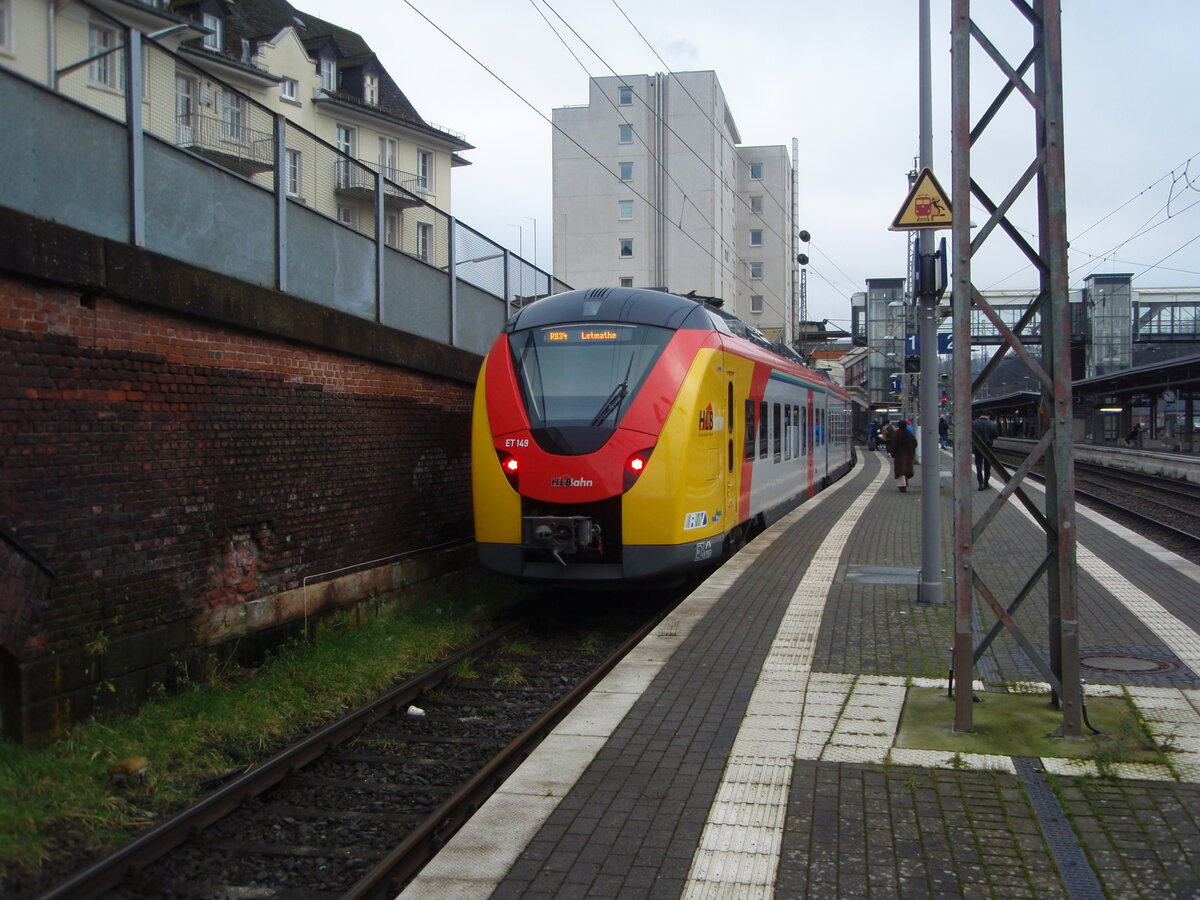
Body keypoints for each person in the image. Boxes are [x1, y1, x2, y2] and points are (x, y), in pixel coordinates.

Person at [972, 411, 1000, 490]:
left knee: (978, 466)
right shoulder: (992, 424)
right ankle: (986, 483)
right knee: (987, 467)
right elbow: (996, 435)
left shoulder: (974, 423)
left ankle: (980, 484)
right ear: (989, 415)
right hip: (988, 447)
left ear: (980, 415)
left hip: (977, 448)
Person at [887, 418, 917, 492]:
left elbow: (893, 445)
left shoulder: (897, 434)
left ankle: (902, 485)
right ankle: (905, 482)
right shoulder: (909, 434)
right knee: (906, 469)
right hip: (909, 455)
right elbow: (915, 443)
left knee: (900, 470)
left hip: (899, 455)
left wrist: (892, 453)